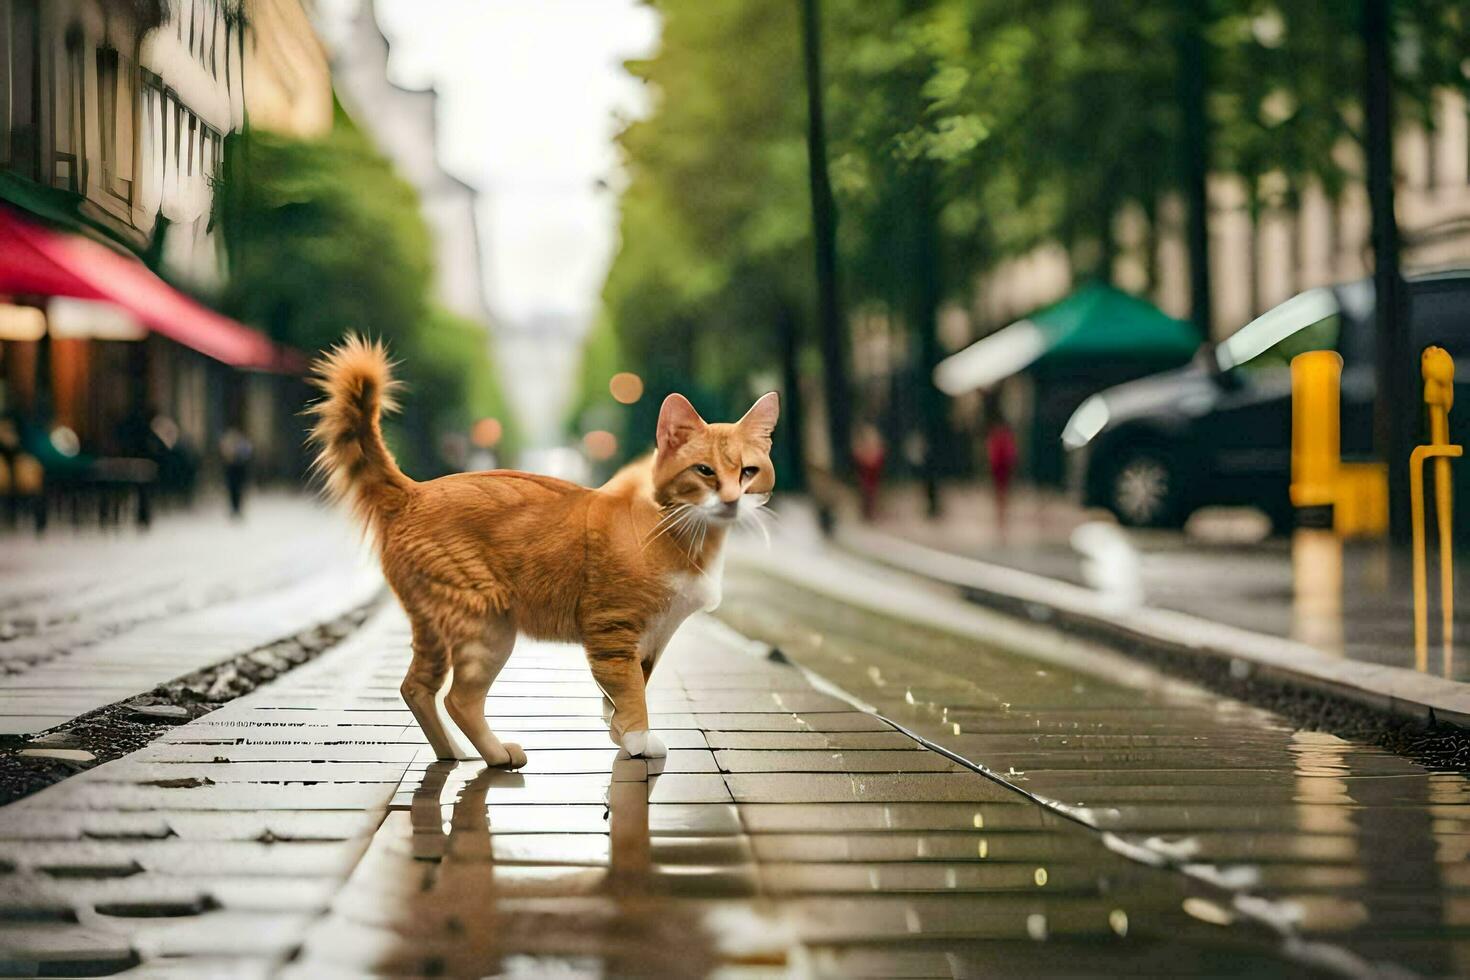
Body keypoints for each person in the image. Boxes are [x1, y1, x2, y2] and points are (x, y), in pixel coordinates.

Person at [985, 409, 1018, 535]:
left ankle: (1002, 515)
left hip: (1002, 467)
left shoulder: (1001, 436)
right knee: (1000, 494)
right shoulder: (1000, 435)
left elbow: (1009, 453)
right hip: (999, 467)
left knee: (1002, 494)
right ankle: (1001, 515)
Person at [852, 423, 886, 522]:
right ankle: (867, 511)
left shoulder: (873, 433)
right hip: (867, 461)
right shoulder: (864, 434)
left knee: (871, 488)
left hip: (872, 461)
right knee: (866, 488)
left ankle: (870, 510)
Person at [220, 427, 253, 518]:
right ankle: (234, 508)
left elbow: (247, 454)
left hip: (239, 470)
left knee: (238, 491)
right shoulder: (227, 443)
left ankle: (237, 508)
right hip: (232, 470)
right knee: (233, 491)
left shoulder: (242, 443)